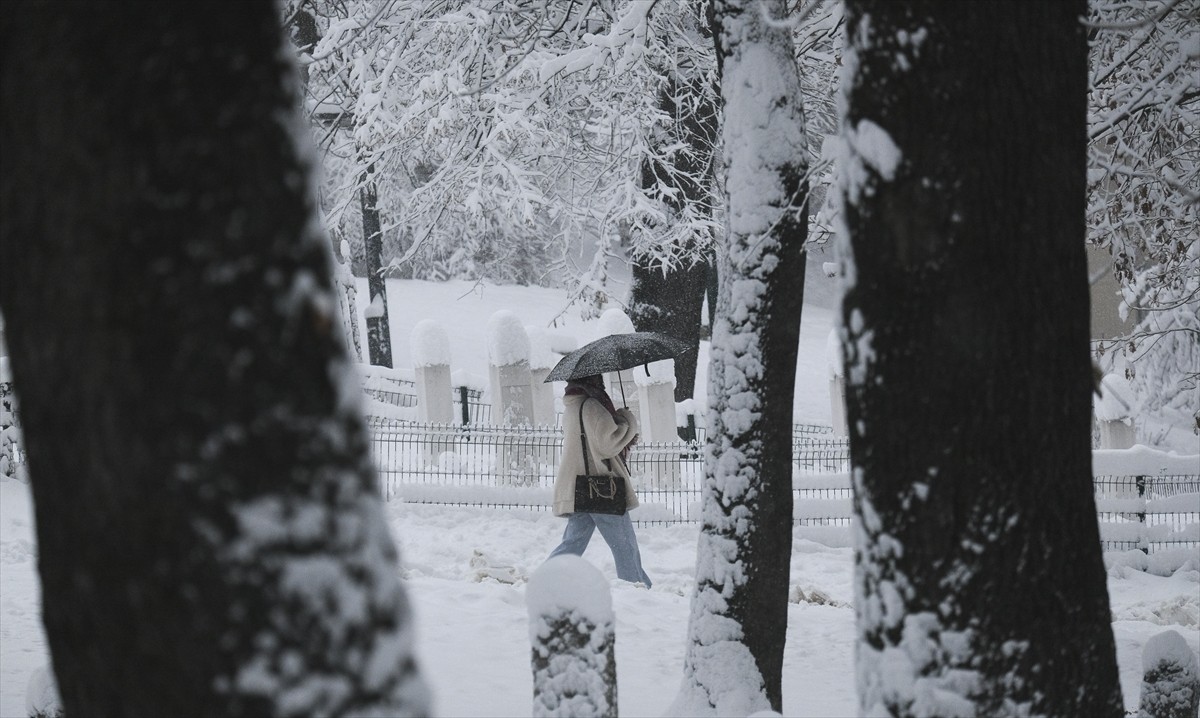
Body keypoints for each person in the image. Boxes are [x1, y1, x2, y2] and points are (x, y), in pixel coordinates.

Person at [546, 374, 652, 587]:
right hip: (602, 487)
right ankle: (635, 588)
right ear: (594, 381)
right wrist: (626, 420)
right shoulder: (592, 405)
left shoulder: (572, 407)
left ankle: (547, 579)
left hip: (578, 488)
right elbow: (608, 443)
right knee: (625, 545)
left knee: (572, 543)